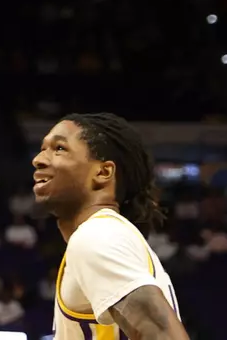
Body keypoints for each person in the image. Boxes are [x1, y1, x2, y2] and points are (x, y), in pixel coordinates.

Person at [32, 113, 190, 340]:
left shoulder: (97, 235)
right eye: (43, 148)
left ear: (103, 172)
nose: (38, 159)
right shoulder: (106, 234)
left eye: (59, 148)